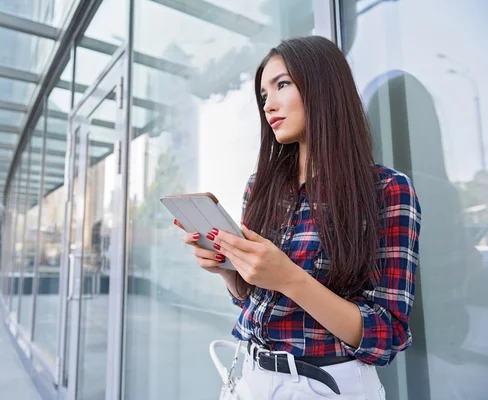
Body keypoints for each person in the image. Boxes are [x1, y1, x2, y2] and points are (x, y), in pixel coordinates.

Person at [173, 36, 422, 399]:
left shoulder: (387, 190)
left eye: (282, 85)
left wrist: (289, 278)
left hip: (326, 385)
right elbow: (253, 300)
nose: (268, 105)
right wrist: (228, 268)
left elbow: (387, 335)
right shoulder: (261, 187)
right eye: (262, 95)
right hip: (251, 376)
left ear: (324, 87)